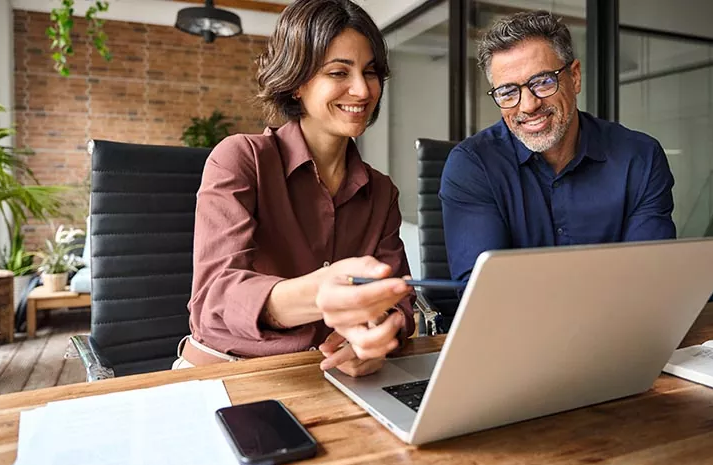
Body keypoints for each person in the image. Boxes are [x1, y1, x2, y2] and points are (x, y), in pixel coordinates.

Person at [174, 0, 415, 377]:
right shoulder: (240, 159)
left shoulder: (381, 192)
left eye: (370, 73)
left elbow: (400, 300)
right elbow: (215, 298)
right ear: (297, 83)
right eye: (339, 72)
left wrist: (380, 337)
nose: (362, 90)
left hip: (327, 377)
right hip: (228, 373)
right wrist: (319, 295)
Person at [440, 10, 677, 281]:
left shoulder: (640, 158)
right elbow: (480, 292)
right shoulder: (473, 166)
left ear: (574, 77)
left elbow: (649, 279)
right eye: (508, 92)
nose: (528, 105)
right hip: (518, 325)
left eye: (542, 82)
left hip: (621, 322)